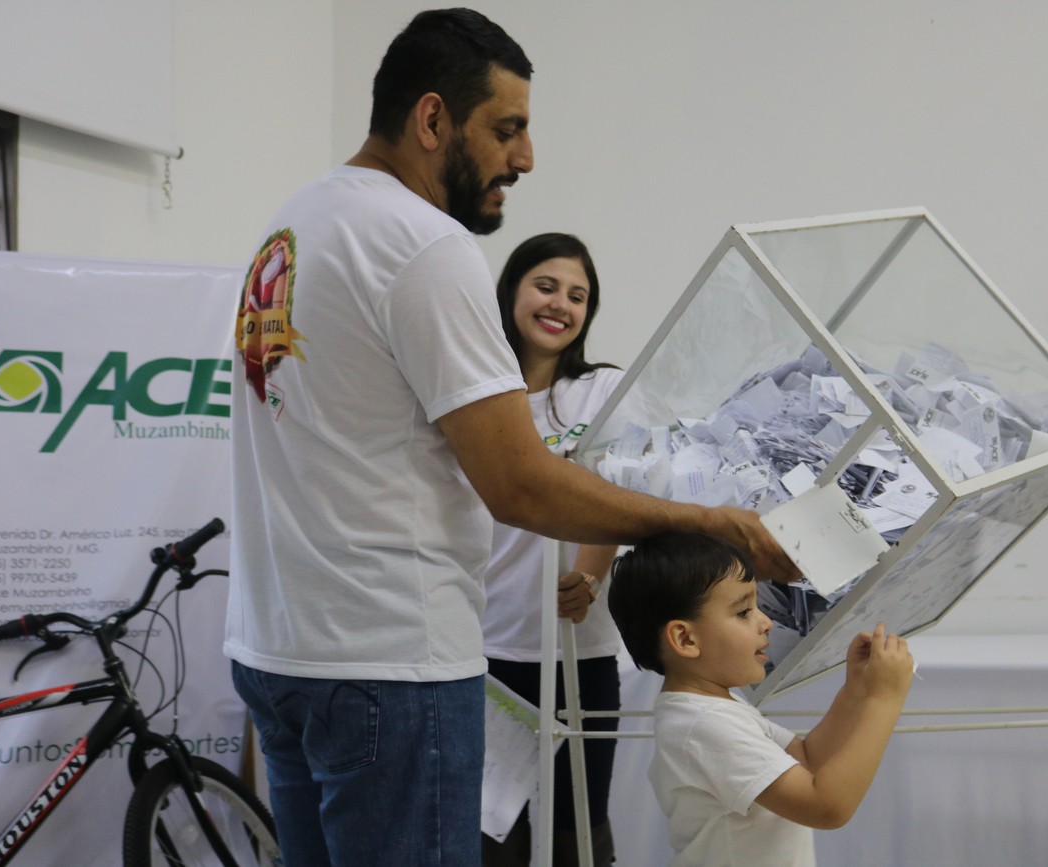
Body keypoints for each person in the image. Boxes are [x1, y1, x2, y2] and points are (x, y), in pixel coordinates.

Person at [225, 9, 797, 867]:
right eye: (506, 129)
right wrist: (708, 522)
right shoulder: (423, 243)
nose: (524, 158)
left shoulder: (294, 223)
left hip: (280, 650)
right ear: (431, 118)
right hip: (389, 665)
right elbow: (519, 482)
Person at [607, 533, 913, 867]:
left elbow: (807, 760)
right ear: (685, 639)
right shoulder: (704, 725)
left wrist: (856, 690)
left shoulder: (714, 709)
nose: (766, 622)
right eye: (743, 612)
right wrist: (884, 699)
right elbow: (827, 808)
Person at [480, 232, 624, 866]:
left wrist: (588, 579)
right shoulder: (476, 395)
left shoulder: (603, 390)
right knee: (491, 837)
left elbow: (615, 495)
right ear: (512, 289)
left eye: (578, 296)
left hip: (577, 654)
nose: (560, 304)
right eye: (546, 286)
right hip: (483, 651)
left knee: (579, 834)